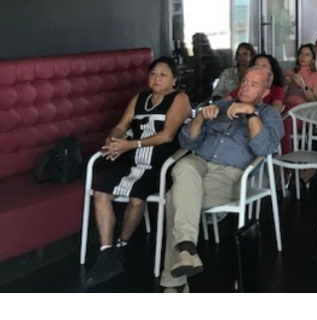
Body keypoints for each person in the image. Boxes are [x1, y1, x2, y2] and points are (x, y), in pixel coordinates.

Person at [159, 67, 283, 293]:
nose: (245, 87)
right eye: (244, 81)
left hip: (230, 175)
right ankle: (187, 252)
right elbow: (187, 143)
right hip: (198, 164)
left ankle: (177, 276)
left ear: (265, 92)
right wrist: (199, 118)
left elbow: (264, 148)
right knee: (184, 165)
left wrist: (251, 114)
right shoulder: (221, 106)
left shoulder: (269, 115)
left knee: (173, 198)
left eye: (253, 85)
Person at [84, 57, 191, 288]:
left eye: (163, 74)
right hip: (132, 161)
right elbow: (121, 126)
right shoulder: (140, 98)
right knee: (100, 192)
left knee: (136, 198)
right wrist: (113, 141)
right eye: (153, 73)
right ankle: (107, 252)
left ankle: (122, 245)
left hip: (160, 164)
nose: (157, 78)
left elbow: (167, 136)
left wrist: (130, 145)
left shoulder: (179, 99)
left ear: (174, 79)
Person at [282, 44, 317, 154]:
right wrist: (286, 85)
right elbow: (281, 97)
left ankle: (287, 159)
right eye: (301, 53)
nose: (303, 57)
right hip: (285, 109)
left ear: (313, 59)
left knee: (284, 125)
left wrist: (302, 85)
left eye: (307, 55)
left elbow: (315, 100)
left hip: (304, 112)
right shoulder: (289, 73)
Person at [189, 33, 223, 105]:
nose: (193, 46)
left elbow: (215, 75)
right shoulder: (194, 58)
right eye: (193, 43)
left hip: (206, 89)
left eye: (195, 43)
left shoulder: (212, 58)